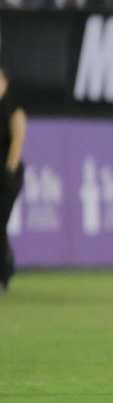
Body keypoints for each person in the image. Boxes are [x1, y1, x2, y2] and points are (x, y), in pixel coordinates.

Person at [0, 68, 26, 292]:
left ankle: (4, 272)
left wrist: (8, 172)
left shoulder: (13, 110)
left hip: (7, 176)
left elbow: (17, 142)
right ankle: (6, 268)